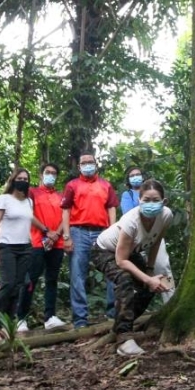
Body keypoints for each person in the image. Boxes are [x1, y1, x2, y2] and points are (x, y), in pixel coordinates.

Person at [93, 178, 173, 356]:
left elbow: (156, 242)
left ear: (164, 201)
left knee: (149, 286)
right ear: (139, 200)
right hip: (105, 250)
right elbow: (121, 260)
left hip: (132, 252)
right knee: (125, 280)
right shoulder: (131, 221)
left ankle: (121, 325)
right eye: (146, 200)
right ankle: (124, 339)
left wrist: (150, 271)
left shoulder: (166, 215)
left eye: (155, 200)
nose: (150, 204)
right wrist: (147, 278)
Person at [59, 152, 118, 329]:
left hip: (103, 232)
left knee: (111, 272)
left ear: (96, 164)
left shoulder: (106, 185)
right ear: (79, 167)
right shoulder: (72, 185)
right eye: (84, 163)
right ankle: (80, 320)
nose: (88, 165)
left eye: (90, 162)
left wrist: (113, 231)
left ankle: (113, 314)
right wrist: (67, 236)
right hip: (79, 232)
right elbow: (66, 210)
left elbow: (112, 208)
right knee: (77, 275)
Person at [0, 168, 42, 342]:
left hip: (25, 247)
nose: (22, 181)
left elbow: (30, 218)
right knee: (7, 284)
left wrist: (45, 230)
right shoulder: (3, 199)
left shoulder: (28, 202)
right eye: (19, 178)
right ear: (13, 180)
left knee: (18, 287)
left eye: (26, 178)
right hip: (7, 247)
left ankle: (7, 325)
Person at [15, 163, 67, 332]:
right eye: (47, 172)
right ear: (41, 175)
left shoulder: (60, 196)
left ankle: (50, 316)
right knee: (30, 280)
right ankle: (20, 318)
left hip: (57, 243)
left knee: (52, 279)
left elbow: (66, 216)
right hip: (37, 242)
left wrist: (56, 234)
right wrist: (46, 231)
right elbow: (27, 214)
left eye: (53, 173)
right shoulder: (32, 192)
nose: (50, 175)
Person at [120, 166, 175, 303]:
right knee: (135, 273)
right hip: (135, 238)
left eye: (138, 174)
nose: (135, 177)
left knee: (163, 266)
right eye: (132, 175)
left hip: (154, 236)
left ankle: (170, 301)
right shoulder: (128, 195)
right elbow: (129, 215)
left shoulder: (156, 194)